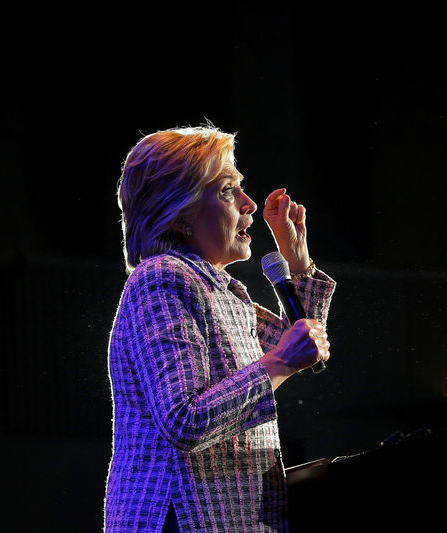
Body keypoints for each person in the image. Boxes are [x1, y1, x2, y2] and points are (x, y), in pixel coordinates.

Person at [103, 125, 335, 532]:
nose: (249, 204)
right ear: (180, 215)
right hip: (183, 518)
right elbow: (184, 419)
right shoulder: (162, 278)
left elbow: (295, 347)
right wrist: (280, 361)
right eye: (228, 190)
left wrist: (298, 263)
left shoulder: (219, 289)